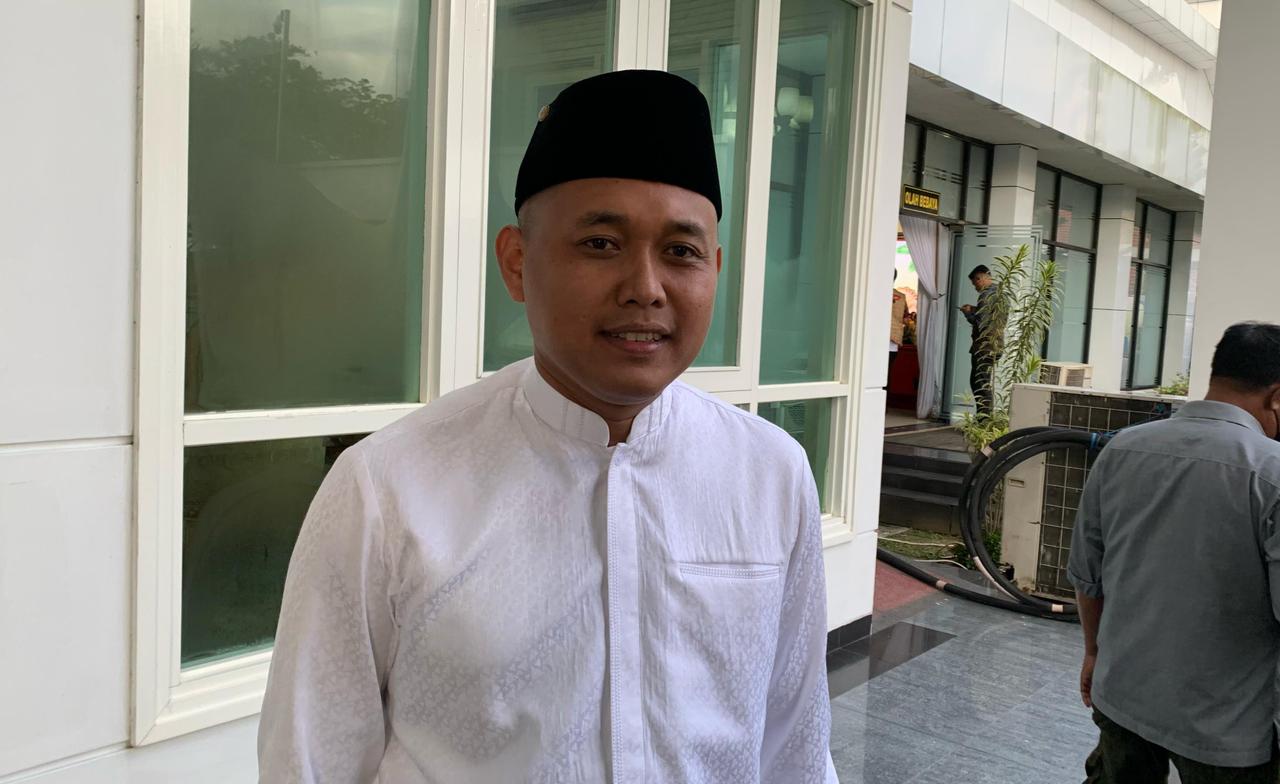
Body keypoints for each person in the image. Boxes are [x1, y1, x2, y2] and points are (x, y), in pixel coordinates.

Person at [258, 70, 837, 783]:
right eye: (601, 243)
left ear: (714, 269)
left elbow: (794, 747)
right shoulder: (387, 489)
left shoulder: (770, 474)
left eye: (681, 252)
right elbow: (308, 762)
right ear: (516, 261)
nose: (645, 288)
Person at [1069, 322, 1280, 784]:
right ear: (1276, 396)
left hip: (1123, 694)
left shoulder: (1121, 449)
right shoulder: (1270, 472)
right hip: (1226, 727)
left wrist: (1093, 652)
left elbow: (1087, 574)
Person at [960, 264, 1000, 416]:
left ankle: (984, 420)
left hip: (984, 346)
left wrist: (968, 314)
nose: (975, 287)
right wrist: (974, 309)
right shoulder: (1000, 293)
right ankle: (985, 418)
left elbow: (981, 322)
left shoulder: (985, 295)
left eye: (974, 283)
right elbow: (992, 316)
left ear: (980, 278)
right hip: (995, 344)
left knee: (979, 384)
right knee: (983, 382)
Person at [888, 269, 907, 388]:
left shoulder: (876, 293)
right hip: (894, 339)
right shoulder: (902, 297)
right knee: (887, 373)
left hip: (877, 339)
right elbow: (905, 318)